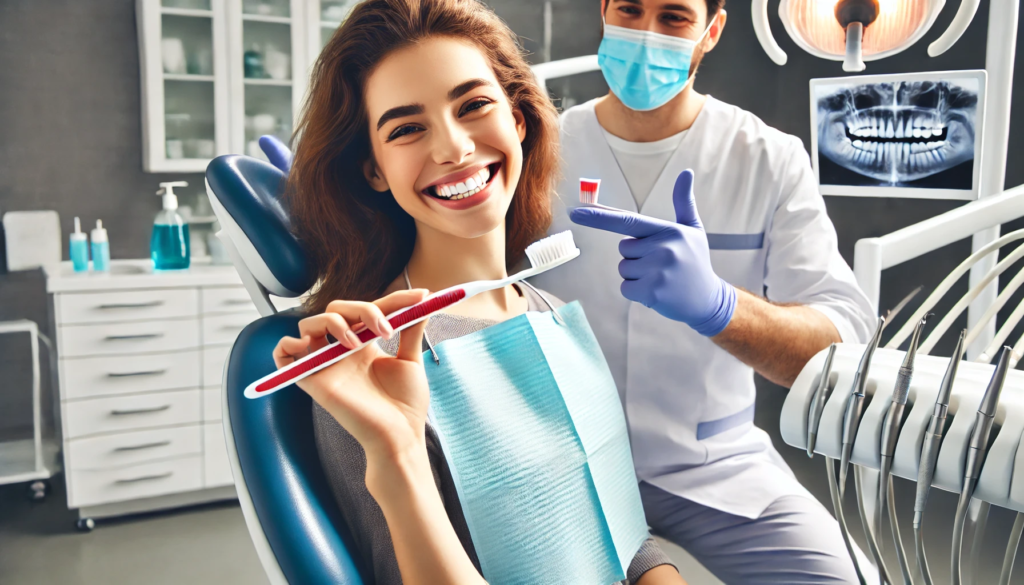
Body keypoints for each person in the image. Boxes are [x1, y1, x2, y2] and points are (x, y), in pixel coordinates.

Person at [270, 0, 684, 583]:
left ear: (518, 120)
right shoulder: (369, 369)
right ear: (374, 170)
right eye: (408, 128)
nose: (455, 148)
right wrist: (398, 453)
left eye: (474, 106)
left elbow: (625, 540)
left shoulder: (552, 313)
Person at [529, 0, 876, 582]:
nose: (645, 35)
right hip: (564, 466)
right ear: (604, 15)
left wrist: (720, 307)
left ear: (711, 31)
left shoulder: (767, 158)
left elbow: (843, 346)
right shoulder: (538, 152)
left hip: (714, 467)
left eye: (673, 18)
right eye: (631, 11)